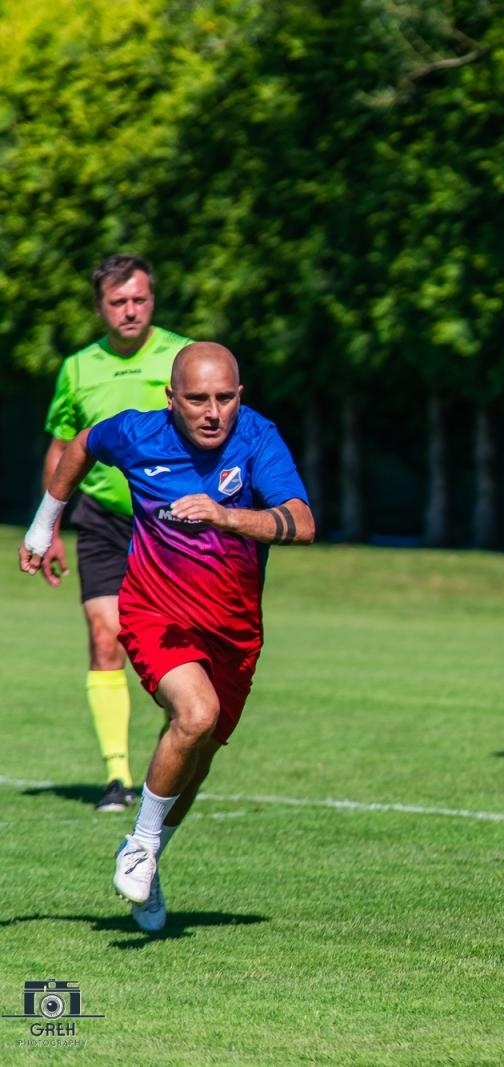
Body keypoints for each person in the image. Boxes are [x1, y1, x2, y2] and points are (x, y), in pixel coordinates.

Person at [19, 342, 316, 930]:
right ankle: (141, 843)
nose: (213, 412)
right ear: (172, 399)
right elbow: (80, 446)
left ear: (240, 396)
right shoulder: (137, 434)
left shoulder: (257, 438)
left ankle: (148, 856)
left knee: (197, 756)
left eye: (225, 398)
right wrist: (42, 525)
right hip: (157, 614)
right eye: (199, 399)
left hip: (234, 633)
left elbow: (302, 524)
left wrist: (226, 514)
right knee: (196, 714)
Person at [35, 254, 193, 813]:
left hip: (172, 527)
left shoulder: (182, 356)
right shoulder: (79, 367)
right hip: (101, 521)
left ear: (153, 300)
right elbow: (62, 443)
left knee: (179, 649)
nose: (130, 310)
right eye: (118, 302)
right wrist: (47, 523)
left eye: (140, 300)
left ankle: (172, 759)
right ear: (100, 307)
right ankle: (116, 778)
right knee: (107, 638)